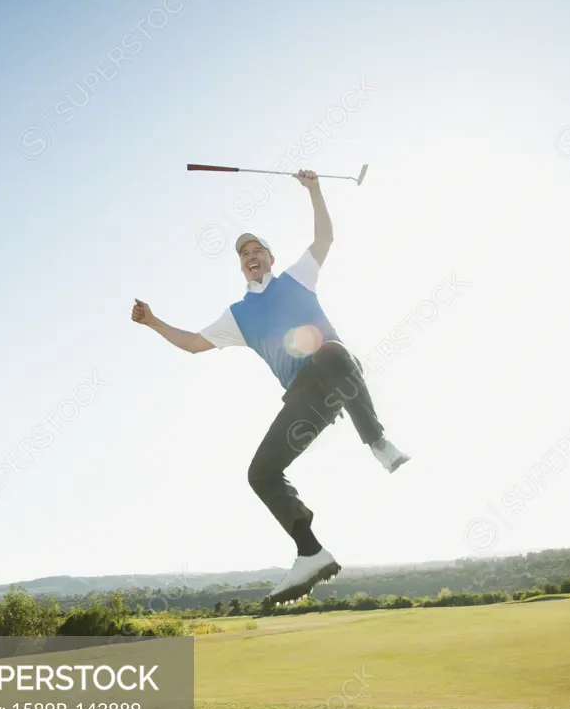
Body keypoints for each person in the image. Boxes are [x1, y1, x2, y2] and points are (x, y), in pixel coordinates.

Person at [131, 169, 410, 603]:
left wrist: (314, 190)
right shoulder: (238, 316)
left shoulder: (297, 278)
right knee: (260, 473)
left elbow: (325, 238)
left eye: (256, 248)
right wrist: (152, 322)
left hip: (337, 374)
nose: (249, 255)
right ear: (241, 265)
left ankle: (377, 441)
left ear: (271, 257)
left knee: (329, 350)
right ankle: (310, 552)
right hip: (305, 400)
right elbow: (191, 344)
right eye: (243, 253)